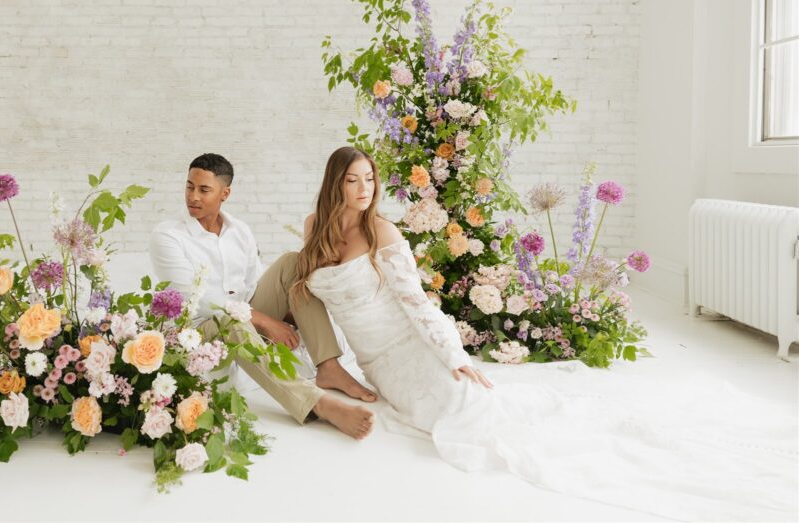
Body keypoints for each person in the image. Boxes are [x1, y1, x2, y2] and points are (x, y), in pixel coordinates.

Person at [293, 146, 797, 521]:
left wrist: (453, 355)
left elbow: (417, 303)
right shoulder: (315, 227)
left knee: (467, 413)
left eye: (370, 179)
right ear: (334, 183)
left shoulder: (382, 231)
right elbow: (303, 286)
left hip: (412, 345)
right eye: (353, 180)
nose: (364, 189)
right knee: (437, 414)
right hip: (378, 362)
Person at [148, 153, 374, 440]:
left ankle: (328, 365)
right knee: (234, 323)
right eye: (189, 186)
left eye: (204, 190)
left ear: (224, 193)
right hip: (198, 328)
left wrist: (295, 310)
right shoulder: (168, 236)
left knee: (293, 262)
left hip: (246, 309)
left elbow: (255, 283)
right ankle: (318, 404)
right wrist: (265, 321)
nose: (193, 196)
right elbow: (196, 299)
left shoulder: (239, 230)